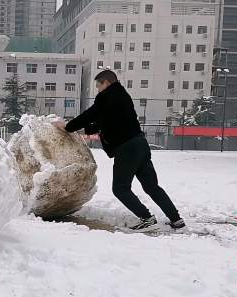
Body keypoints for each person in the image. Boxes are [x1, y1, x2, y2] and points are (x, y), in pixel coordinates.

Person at [54, 70, 185, 232]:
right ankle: (176, 220)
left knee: (120, 189)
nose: (97, 89)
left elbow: (90, 115)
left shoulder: (106, 97)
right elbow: (105, 122)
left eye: (98, 85)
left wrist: (68, 127)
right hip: (140, 144)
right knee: (152, 187)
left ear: (106, 83)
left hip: (127, 148)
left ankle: (146, 218)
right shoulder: (122, 96)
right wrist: (81, 130)